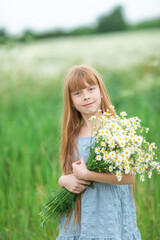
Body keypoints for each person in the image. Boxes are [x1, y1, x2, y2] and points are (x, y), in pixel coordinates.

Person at [56, 64, 141, 239]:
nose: (86, 96)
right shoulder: (73, 136)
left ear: (100, 91)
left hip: (109, 218)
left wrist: (88, 174)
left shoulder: (116, 130)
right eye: (77, 93)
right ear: (71, 101)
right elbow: (69, 176)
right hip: (80, 219)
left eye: (90, 89)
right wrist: (62, 180)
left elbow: (130, 177)